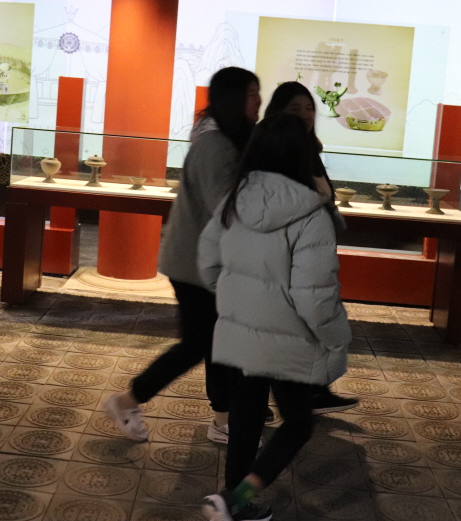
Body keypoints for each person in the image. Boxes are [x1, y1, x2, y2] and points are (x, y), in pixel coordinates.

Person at [198, 114, 352, 521]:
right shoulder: (311, 214)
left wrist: (236, 301)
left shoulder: (234, 200)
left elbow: (207, 262)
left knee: (245, 421)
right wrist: (337, 336)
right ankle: (237, 498)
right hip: (288, 338)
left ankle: (234, 501)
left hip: (238, 332)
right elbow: (315, 297)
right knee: (298, 424)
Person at [105, 67, 262, 443]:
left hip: (207, 262)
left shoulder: (228, 139)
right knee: (199, 343)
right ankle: (127, 401)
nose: (259, 101)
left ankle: (222, 420)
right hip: (195, 265)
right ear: (233, 99)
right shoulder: (216, 146)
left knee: (217, 342)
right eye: (252, 94)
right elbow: (227, 208)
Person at [263, 81, 358, 415]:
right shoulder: (279, 149)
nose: (305, 115)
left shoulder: (307, 146)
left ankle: (310, 393)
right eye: (295, 109)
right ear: (279, 112)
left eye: (309, 108)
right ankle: (292, 402)